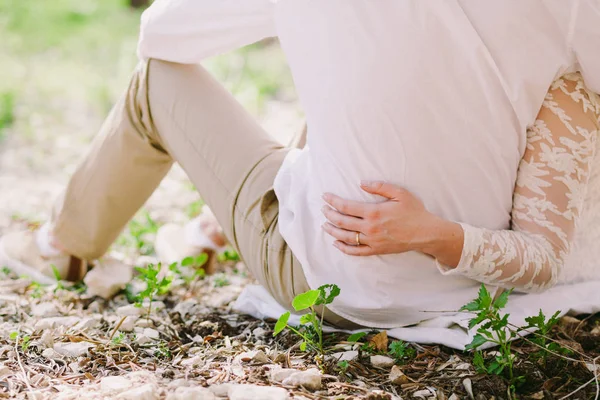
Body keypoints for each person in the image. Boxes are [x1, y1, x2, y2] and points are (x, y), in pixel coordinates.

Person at [1, 1, 599, 330]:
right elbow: (541, 254)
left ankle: (62, 245)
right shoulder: (566, 36)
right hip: (467, 292)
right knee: (362, 92)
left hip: (336, 288)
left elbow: (159, 35)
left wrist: (429, 234)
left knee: (154, 80)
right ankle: (213, 230)